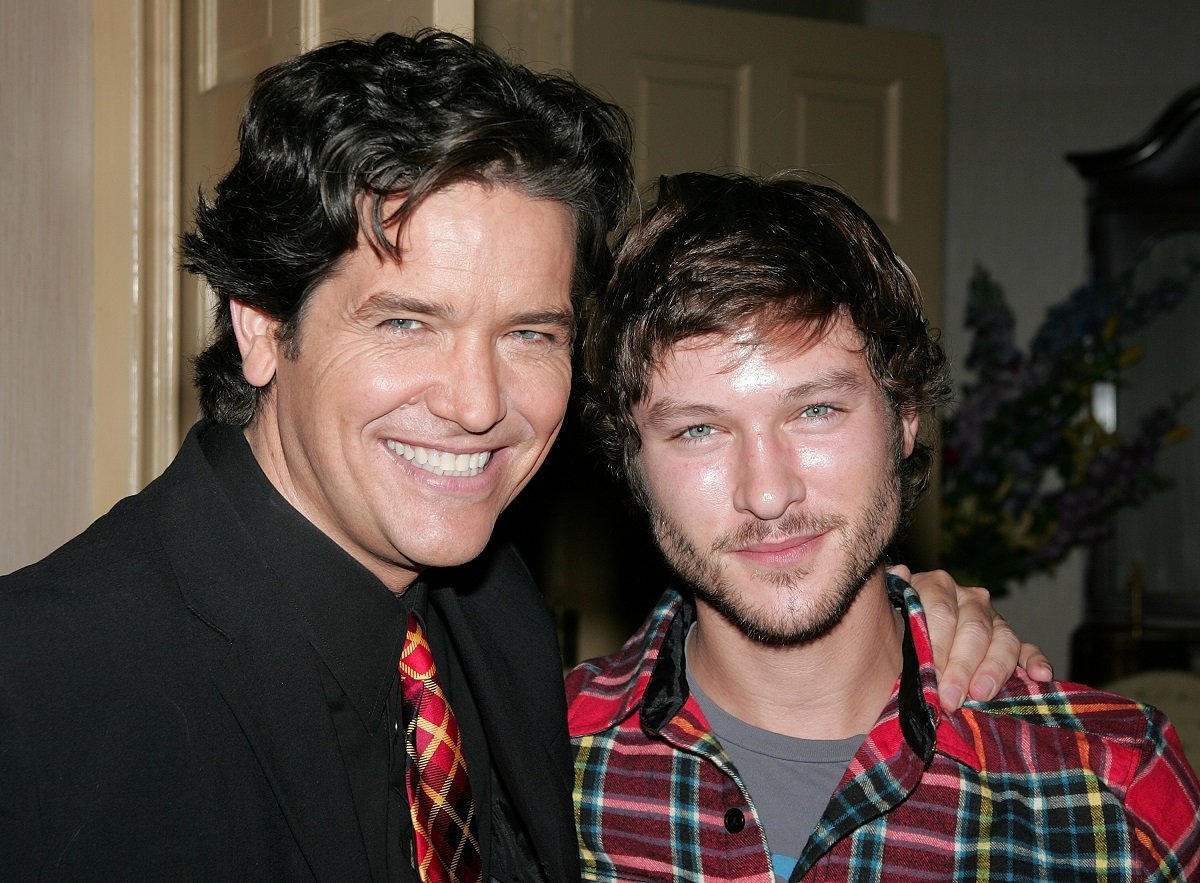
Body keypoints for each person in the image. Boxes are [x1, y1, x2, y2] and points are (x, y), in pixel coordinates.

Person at [0, 31, 1041, 881]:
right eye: (407, 323)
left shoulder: (487, 613)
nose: (479, 403)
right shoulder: (49, 680)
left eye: (530, 333)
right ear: (264, 327)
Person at [568, 171, 1200, 881]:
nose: (768, 492)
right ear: (635, 460)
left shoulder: (1112, 790)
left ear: (905, 418)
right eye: (697, 430)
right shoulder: (527, 765)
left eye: (814, 411)